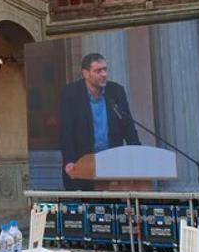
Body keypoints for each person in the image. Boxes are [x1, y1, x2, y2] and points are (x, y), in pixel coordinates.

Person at [59, 53, 140, 191]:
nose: (104, 74)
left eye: (105, 69)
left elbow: (128, 126)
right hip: (82, 165)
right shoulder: (70, 93)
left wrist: (137, 153)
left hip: (112, 165)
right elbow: (66, 131)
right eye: (98, 71)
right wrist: (69, 160)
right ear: (85, 73)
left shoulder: (116, 91)